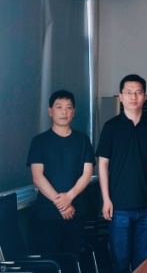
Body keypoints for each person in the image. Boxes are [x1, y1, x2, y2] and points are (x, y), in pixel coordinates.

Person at [96, 74, 147, 273]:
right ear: (121, 96)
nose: (133, 96)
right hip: (119, 207)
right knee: (120, 262)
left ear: (144, 96)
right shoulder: (111, 127)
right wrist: (106, 200)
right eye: (129, 92)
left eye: (138, 92)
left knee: (145, 263)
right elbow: (103, 165)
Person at [26, 90, 95, 255]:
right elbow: (37, 176)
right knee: (50, 261)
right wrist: (61, 204)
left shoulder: (83, 140)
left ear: (74, 111)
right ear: (50, 111)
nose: (64, 112)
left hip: (76, 211)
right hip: (47, 213)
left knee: (72, 258)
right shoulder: (39, 141)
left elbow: (87, 174)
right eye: (59, 107)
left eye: (68, 107)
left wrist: (69, 197)